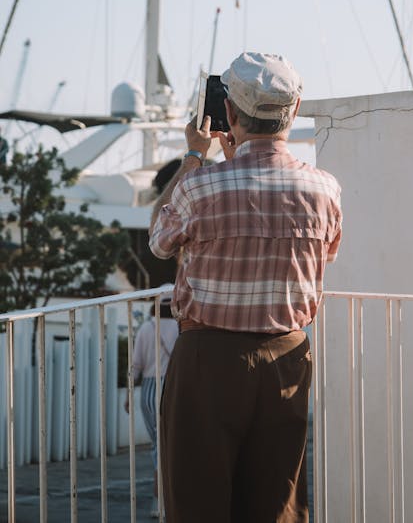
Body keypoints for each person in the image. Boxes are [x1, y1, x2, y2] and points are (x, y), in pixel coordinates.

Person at [149, 52, 342, 523]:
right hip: (288, 358)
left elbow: (158, 239)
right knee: (277, 501)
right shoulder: (325, 189)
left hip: (209, 361)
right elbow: (326, 256)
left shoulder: (201, 187)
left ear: (229, 114)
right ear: (293, 112)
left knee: (198, 501)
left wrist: (196, 154)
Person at [125, 300, 178, 518]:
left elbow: (135, 363)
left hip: (148, 390)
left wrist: (128, 394)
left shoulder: (147, 327)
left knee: (157, 446)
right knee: (172, 445)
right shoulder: (180, 327)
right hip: (174, 388)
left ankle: (159, 503)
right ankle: (171, 502)